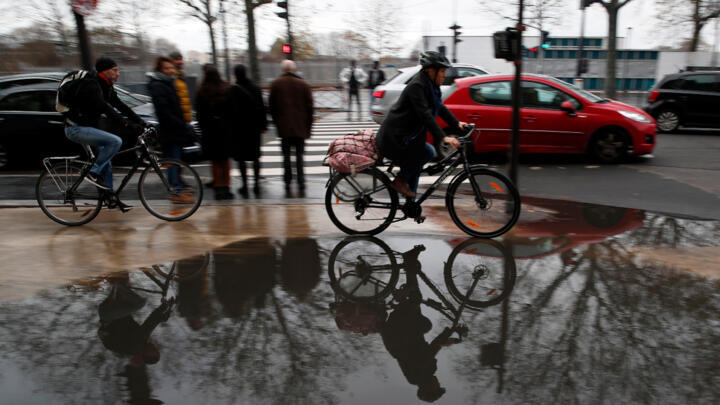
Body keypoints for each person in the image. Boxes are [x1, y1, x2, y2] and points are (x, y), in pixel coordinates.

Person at [375, 51, 468, 198]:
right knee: (428, 152)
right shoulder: (417, 86)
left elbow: (440, 107)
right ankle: (400, 180)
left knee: (417, 162)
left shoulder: (431, 85)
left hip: (408, 138)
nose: (444, 75)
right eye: (442, 71)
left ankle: (410, 203)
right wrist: (443, 138)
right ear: (431, 70)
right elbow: (425, 115)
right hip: (395, 139)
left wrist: (456, 123)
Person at [64, 56, 147, 212]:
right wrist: (127, 124)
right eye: (115, 70)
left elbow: (121, 106)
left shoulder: (106, 86)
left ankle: (110, 198)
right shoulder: (92, 85)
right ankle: (93, 172)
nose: (118, 73)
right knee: (115, 142)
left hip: (88, 128)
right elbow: (106, 109)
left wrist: (141, 122)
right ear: (104, 71)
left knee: (106, 162)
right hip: (75, 128)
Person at [147, 56, 196, 204]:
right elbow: (164, 111)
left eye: (171, 67)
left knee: (175, 160)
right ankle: (176, 192)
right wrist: (180, 123)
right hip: (170, 129)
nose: (170, 70)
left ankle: (177, 189)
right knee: (173, 162)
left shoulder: (166, 83)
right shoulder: (159, 85)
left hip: (173, 128)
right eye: (166, 68)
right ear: (160, 70)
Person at [269, 60, 314, 194]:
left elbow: (272, 107)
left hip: (284, 127)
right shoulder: (303, 84)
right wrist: (308, 127)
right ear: (294, 70)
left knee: (286, 155)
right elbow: (310, 108)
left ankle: (287, 181)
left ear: (283, 70)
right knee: (299, 155)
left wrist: (277, 122)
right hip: (300, 127)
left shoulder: (276, 84)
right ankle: (301, 180)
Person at [228, 64, 268, 197]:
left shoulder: (232, 90)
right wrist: (263, 126)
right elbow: (262, 108)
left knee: (241, 159)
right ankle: (256, 183)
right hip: (254, 127)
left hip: (239, 129)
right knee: (255, 157)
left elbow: (230, 111)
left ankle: (245, 185)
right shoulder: (255, 88)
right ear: (246, 73)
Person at [196, 65, 233, 200]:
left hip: (210, 130)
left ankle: (218, 187)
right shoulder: (226, 89)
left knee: (215, 161)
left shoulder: (202, 91)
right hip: (225, 129)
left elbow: (199, 114)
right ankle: (227, 187)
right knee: (225, 160)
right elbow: (232, 110)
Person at [168, 51, 192, 124]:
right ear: (171, 61)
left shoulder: (180, 76)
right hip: (178, 121)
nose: (180, 61)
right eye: (177, 59)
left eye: (181, 59)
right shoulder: (171, 77)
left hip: (185, 120)